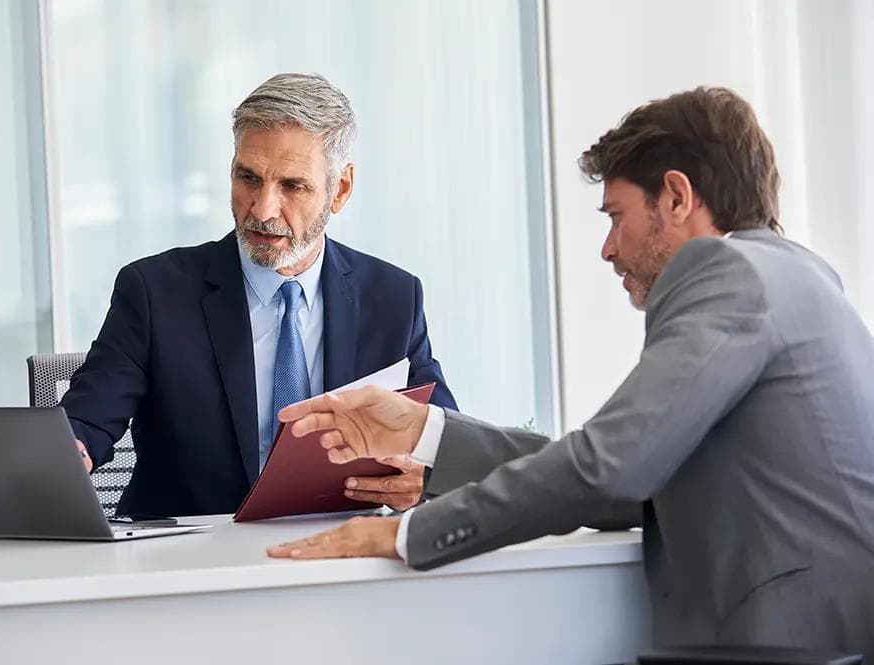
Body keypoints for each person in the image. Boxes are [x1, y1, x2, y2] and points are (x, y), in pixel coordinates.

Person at [268, 87, 874, 654]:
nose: (607, 248)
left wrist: (402, 534)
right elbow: (628, 480)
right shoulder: (791, 277)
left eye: (615, 216)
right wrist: (425, 433)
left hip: (790, 639)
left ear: (677, 197)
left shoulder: (730, 276)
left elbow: (607, 468)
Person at [60, 73, 457, 518]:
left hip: (338, 559)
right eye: (248, 178)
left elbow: (444, 440)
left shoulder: (392, 297)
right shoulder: (154, 292)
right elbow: (86, 423)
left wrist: (423, 479)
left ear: (339, 190)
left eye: (292, 186)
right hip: (192, 563)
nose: (263, 209)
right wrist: (61, 460)